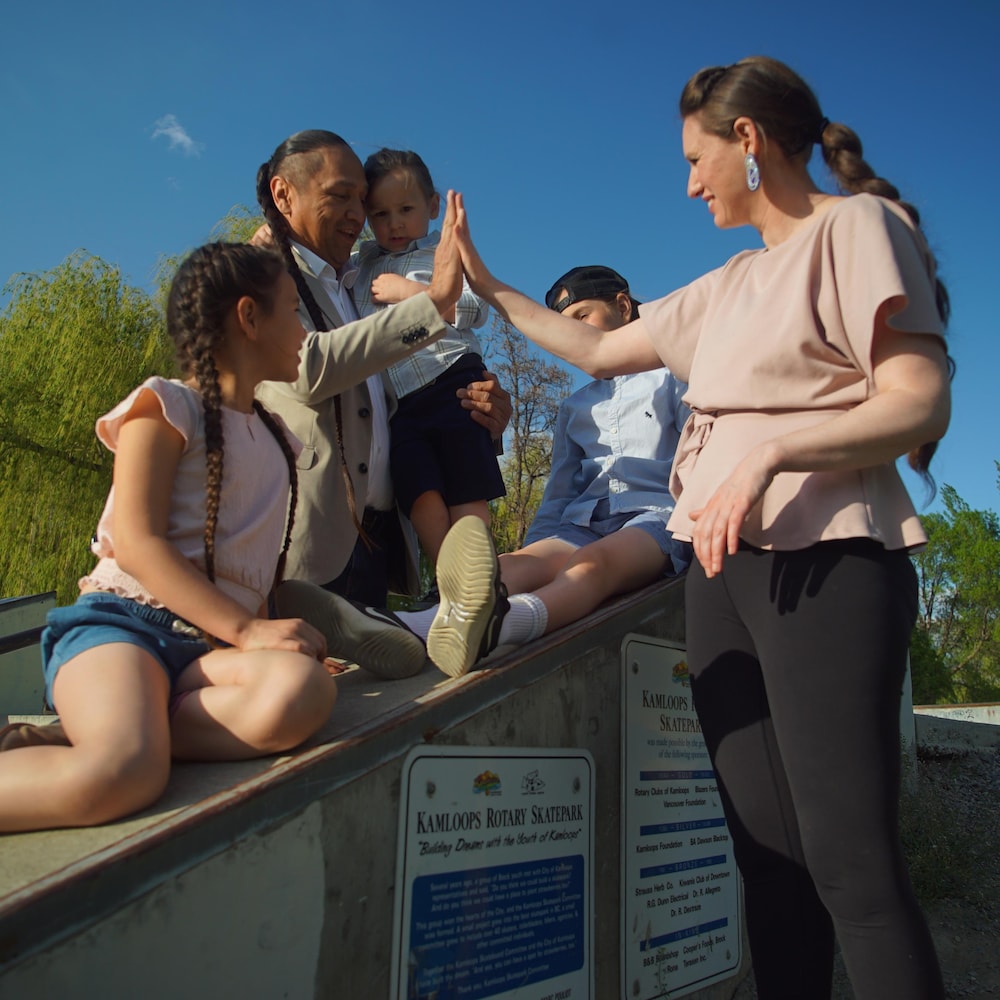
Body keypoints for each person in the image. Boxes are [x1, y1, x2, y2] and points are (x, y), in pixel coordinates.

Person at [448, 57, 951, 999]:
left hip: (831, 564)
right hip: (723, 580)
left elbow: (919, 400)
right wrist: (487, 285)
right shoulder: (721, 286)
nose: (687, 182)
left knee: (853, 869)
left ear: (749, 141)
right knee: (766, 854)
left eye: (695, 157)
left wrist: (766, 455)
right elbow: (595, 347)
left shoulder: (857, 228)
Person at [0, 243, 337, 832]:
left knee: (300, 693)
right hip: (122, 629)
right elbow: (135, 541)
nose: (306, 331)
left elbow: (247, 568)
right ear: (249, 318)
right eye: (293, 311)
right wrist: (247, 631)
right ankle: (119, 734)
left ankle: (111, 726)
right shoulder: (165, 405)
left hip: (200, 657)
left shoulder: (281, 440)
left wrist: (259, 640)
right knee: (123, 774)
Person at [254, 131, 511, 610]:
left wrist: (488, 409)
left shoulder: (358, 276)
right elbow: (306, 367)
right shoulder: (270, 275)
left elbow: (471, 310)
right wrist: (430, 305)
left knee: (464, 489)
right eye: (342, 197)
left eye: (360, 199)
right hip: (315, 531)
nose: (360, 214)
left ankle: (475, 588)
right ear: (283, 195)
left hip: (380, 532)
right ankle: (462, 590)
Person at [402, 265, 691, 678]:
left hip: (655, 518)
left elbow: (699, 457)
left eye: (582, 317)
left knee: (594, 565)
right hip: (585, 522)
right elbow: (558, 491)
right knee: (512, 564)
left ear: (623, 307)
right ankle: (414, 629)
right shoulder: (575, 407)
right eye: (563, 325)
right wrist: (539, 546)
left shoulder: (673, 379)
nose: (571, 333)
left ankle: (504, 626)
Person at [352, 148, 504, 565]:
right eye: (380, 214)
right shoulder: (363, 263)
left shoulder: (443, 252)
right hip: (397, 406)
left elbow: (476, 309)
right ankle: (450, 582)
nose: (394, 223)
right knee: (418, 491)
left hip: (452, 382)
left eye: (405, 208)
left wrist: (415, 295)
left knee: (465, 487)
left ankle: (481, 573)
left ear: (433, 206)